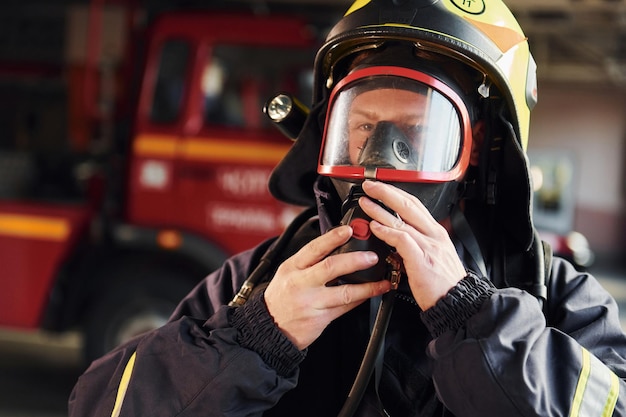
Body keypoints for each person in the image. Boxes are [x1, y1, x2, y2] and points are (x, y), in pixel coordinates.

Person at [68, 0, 626, 416]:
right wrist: (255, 339)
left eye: (416, 135)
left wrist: (472, 320)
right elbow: (99, 406)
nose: (377, 163)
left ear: (478, 152)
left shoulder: (555, 299)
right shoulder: (259, 282)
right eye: (361, 130)